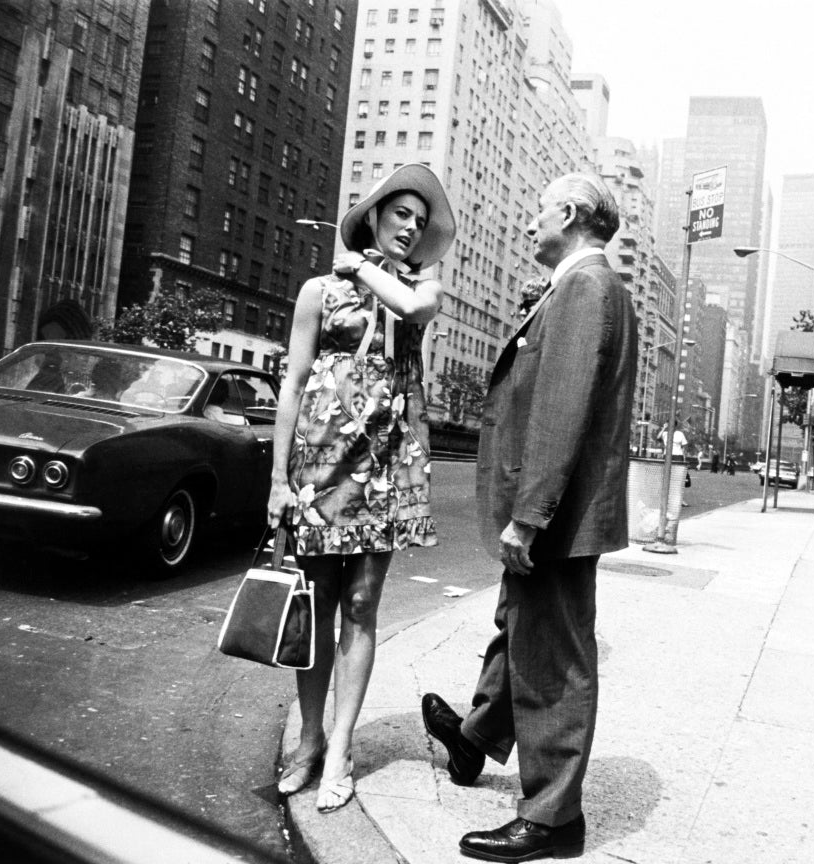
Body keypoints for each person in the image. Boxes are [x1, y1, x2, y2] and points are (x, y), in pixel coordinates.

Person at [421, 173, 636, 862]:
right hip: (558, 509)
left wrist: (530, 516)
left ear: (569, 215)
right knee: (521, 625)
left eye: (538, 209)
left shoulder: (584, 288)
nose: (527, 221)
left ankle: (551, 818)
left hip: (559, 513)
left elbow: (561, 412)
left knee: (554, 658)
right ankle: (477, 738)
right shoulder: (581, 288)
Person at [266, 164, 453, 813]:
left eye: (420, 222)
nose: (410, 227)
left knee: (361, 605)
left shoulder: (419, 287)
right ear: (374, 215)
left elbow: (412, 307)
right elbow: (291, 384)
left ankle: (341, 749)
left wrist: (359, 267)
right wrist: (277, 481)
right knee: (314, 608)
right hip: (320, 461)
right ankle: (310, 740)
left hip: (385, 464)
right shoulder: (318, 292)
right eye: (400, 214)